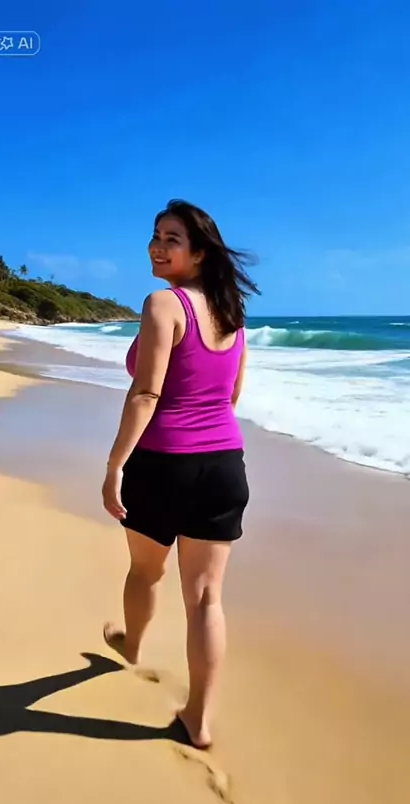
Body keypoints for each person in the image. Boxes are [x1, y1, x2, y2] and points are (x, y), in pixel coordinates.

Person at [102, 199, 259, 749]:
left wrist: (115, 465)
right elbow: (231, 395)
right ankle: (199, 718)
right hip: (224, 466)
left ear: (199, 253)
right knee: (207, 598)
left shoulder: (163, 304)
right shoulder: (233, 314)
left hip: (162, 463)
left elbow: (146, 392)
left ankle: (131, 645)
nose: (158, 246)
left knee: (146, 572)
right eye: (156, 235)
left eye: (172, 239)